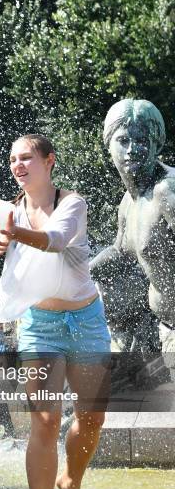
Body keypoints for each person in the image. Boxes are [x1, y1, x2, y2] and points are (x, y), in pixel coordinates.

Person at [0, 133, 111, 489]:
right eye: (12, 160)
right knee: (44, 419)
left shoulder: (72, 203)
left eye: (26, 158)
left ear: (49, 161)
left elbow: (55, 239)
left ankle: (71, 479)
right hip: (40, 326)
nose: (17, 166)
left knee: (91, 417)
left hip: (86, 321)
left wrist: (14, 233)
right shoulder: (8, 211)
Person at [90, 99, 175, 370]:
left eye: (141, 140)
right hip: (167, 326)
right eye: (123, 140)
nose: (131, 149)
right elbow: (120, 251)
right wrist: (76, 271)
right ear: (109, 146)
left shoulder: (167, 192)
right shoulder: (128, 202)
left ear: (156, 144)